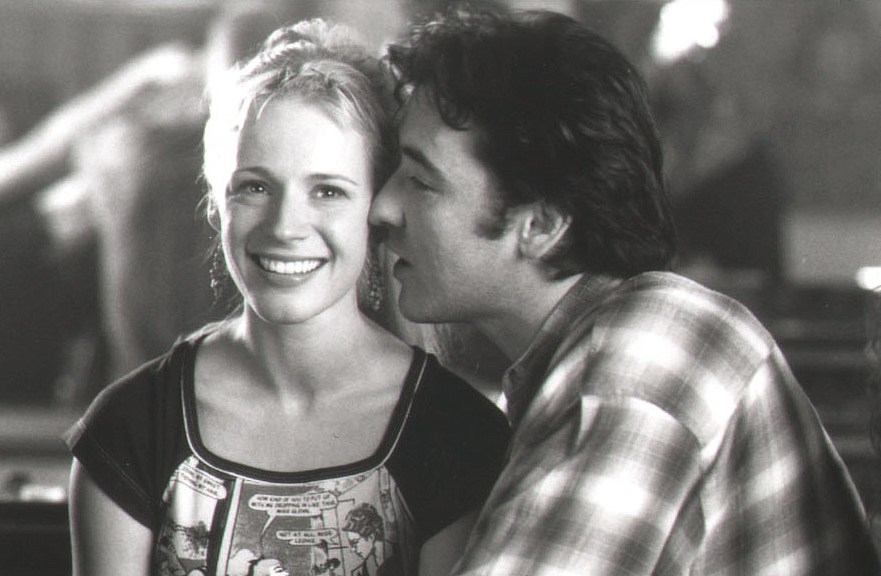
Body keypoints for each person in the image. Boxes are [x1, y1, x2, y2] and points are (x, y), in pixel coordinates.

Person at [368, 6, 881, 574]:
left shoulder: (643, 358)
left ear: (540, 224)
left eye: (420, 180)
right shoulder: (612, 344)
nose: (381, 208)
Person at [65, 18, 509, 576]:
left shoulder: (459, 433)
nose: (284, 227)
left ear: (378, 208)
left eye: (328, 191)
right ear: (217, 202)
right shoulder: (131, 426)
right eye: (255, 187)